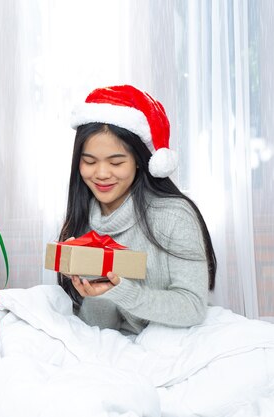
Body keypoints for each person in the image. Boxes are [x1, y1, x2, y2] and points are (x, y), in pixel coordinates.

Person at [58, 85, 216, 335]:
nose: (101, 174)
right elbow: (99, 329)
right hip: (110, 349)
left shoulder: (174, 217)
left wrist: (120, 290)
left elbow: (193, 306)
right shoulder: (82, 217)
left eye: (116, 162)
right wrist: (86, 281)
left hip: (170, 342)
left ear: (140, 162)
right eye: (89, 161)